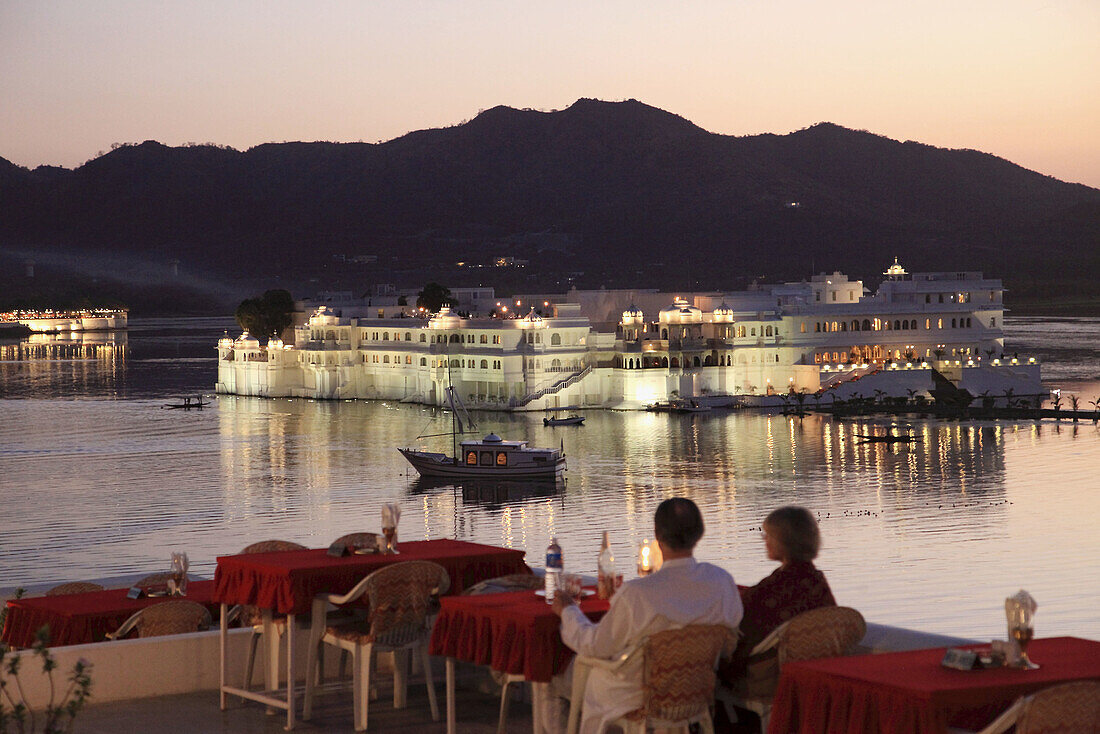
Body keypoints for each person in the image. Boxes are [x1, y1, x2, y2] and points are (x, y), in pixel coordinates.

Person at [552, 497, 743, 734]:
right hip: (695, 691)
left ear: (657, 535)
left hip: (637, 696)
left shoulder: (638, 594)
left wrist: (569, 611)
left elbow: (595, 645)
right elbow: (731, 629)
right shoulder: (721, 582)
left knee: (562, 669)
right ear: (700, 533)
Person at [719, 505, 836, 685]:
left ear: (784, 541)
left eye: (768, 536)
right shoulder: (816, 581)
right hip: (810, 673)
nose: (764, 541)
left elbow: (742, 626)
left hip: (770, 676)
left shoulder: (776, 588)